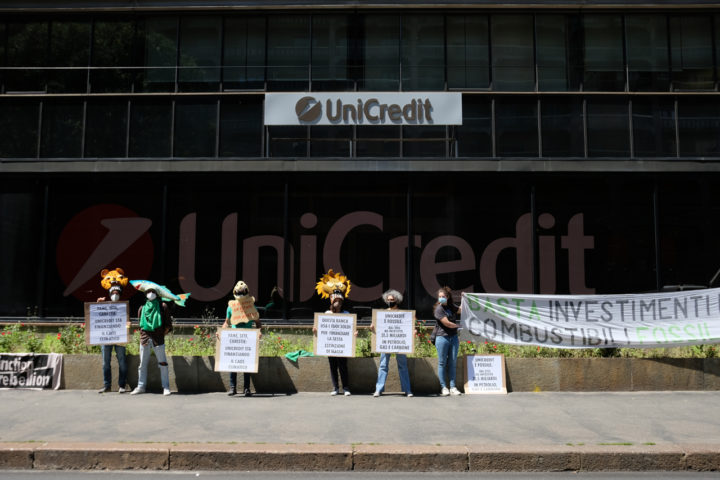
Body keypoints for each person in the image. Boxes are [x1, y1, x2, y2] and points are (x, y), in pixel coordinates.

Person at [314, 269, 354, 396]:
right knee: (332, 366)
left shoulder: (346, 314)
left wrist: (354, 334)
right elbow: (321, 328)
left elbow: (351, 328)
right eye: (336, 302)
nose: (338, 305)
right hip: (331, 345)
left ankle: (346, 388)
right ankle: (335, 387)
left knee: (343, 366)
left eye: (340, 302)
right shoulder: (326, 314)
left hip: (342, 346)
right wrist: (316, 330)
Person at [131, 286, 173, 396]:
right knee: (142, 364)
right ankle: (141, 386)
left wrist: (160, 334)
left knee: (163, 363)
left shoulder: (162, 306)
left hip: (158, 339)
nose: (151, 293)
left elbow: (168, 325)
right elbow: (140, 325)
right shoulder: (142, 308)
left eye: (153, 291)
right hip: (145, 339)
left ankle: (166, 387)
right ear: (145, 294)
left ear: (157, 293)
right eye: (148, 291)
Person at [223, 280, 262, 397]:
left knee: (247, 364)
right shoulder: (230, 307)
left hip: (248, 338)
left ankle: (247, 388)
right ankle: (232, 387)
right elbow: (226, 322)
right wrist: (221, 332)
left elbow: (258, 322)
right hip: (234, 337)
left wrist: (259, 332)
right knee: (233, 363)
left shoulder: (251, 306)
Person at [372, 289, 413, 397]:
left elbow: (409, 327)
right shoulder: (382, 314)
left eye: (392, 300)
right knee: (383, 365)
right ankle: (379, 389)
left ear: (397, 300)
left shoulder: (403, 314)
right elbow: (376, 329)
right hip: (386, 343)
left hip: (400, 344)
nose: (390, 301)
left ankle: (407, 390)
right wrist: (372, 327)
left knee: (403, 366)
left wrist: (413, 330)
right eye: (388, 300)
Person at [96, 268, 130, 394]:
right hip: (106, 337)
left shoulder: (124, 306)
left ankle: (122, 385)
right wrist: (98, 304)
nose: (115, 293)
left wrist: (128, 325)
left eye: (117, 292)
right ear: (110, 293)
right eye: (113, 292)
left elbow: (127, 321)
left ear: (120, 293)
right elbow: (96, 317)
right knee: (105, 362)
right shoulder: (103, 304)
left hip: (120, 337)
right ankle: (107, 385)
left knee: (122, 361)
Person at [434, 286, 462, 396]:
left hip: (454, 338)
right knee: (442, 363)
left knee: (453, 362)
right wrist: (460, 325)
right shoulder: (439, 309)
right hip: (442, 338)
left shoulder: (451, 306)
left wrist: (464, 299)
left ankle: (453, 387)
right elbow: (447, 324)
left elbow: (461, 310)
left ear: (448, 297)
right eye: (439, 297)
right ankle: (443, 387)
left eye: (443, 296)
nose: (441, 298)